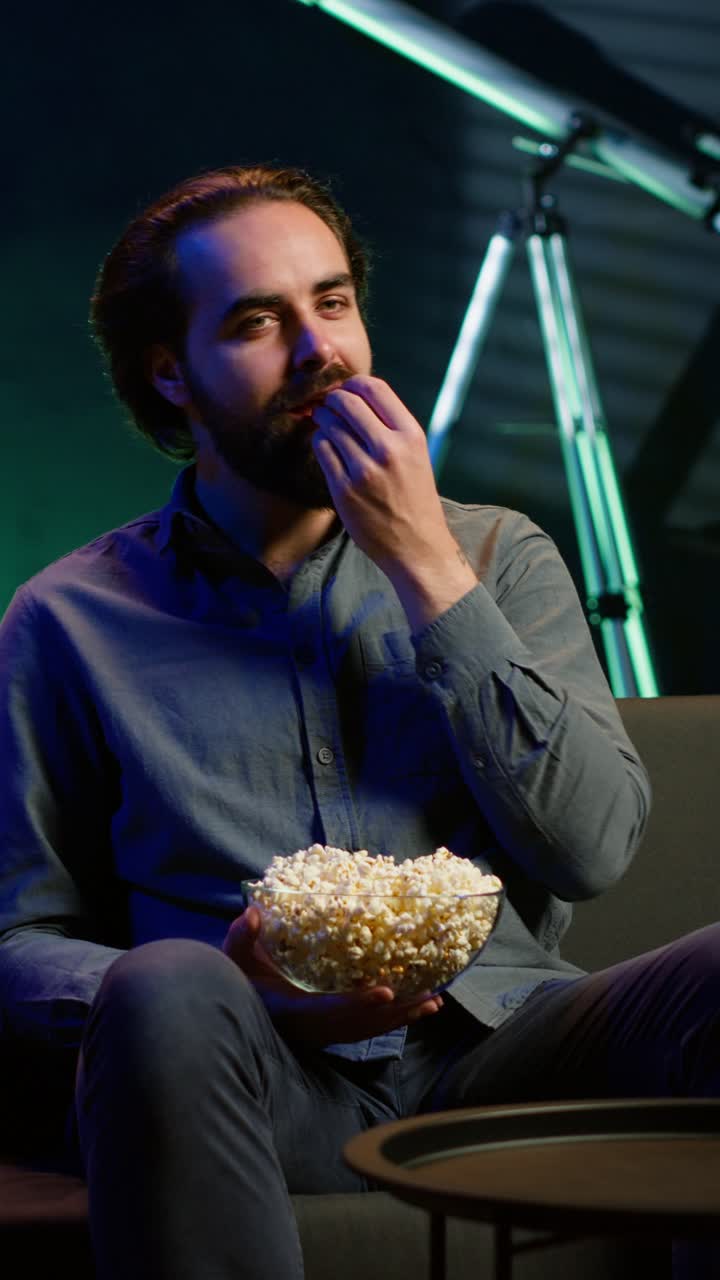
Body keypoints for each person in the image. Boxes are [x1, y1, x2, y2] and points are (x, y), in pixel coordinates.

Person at [0, 164, 717, 1280]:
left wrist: (425, 566)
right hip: (250, 1077)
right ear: (171, 376)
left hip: (506, 1055)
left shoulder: (496, 556)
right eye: (255, 321)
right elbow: (12, 938)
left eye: (332, 302)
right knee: (165, 979)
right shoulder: (67, 619)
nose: (317, 351)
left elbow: (593, 846)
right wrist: (233, 990)